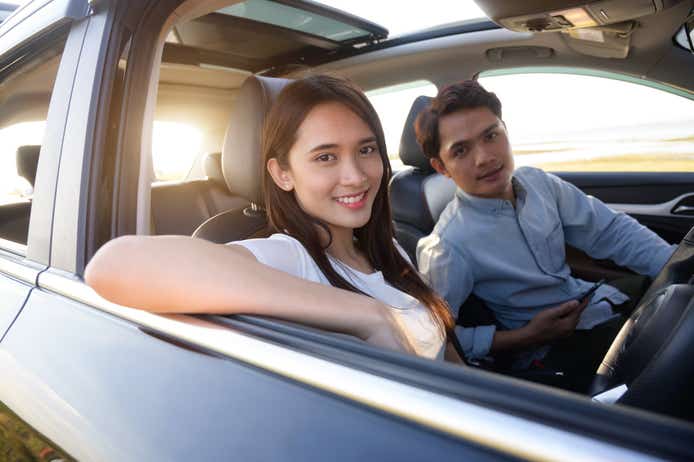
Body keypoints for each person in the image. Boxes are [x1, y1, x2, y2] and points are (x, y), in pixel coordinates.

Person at [86, 75, 455, 360]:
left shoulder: (389, 249)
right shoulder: (288, 259)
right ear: (282, 174)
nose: (356, 175)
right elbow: (112, 265)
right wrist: (368, 314)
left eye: (366, 149)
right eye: (325, 157)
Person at [414, 80, 675, 387]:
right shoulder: (446, 245)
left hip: (598, 301)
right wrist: (526, 336)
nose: (484, 157)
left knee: (676, 296)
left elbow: (610, 231)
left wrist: (675, 263)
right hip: (552, 351)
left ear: (505, 130)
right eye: (461, 150)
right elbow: (433, 337)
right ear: (441, 167)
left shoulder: (538, 183)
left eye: (491, 135)